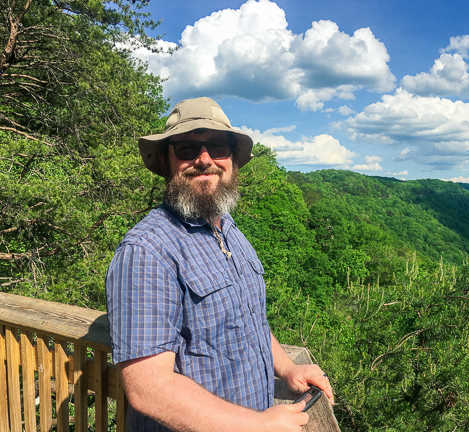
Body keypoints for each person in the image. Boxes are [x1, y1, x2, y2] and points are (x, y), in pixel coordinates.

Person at [105, 97, 332, 432]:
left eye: (217, 147)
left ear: (232, 161)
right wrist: (256, 425)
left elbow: (249, 318)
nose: (204, 159)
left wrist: (287, 369)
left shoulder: (228, 228)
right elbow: (148, 388)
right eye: (186, 149)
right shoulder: (147, 251)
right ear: (168, 162)